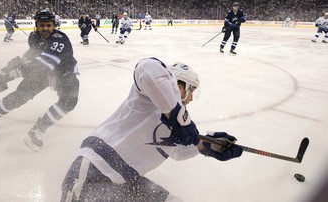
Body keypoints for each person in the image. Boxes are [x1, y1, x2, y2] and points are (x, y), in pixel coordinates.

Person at [61, 58, 243, 201]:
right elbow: (146, 68)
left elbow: (176, 152)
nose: (191, 98)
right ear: (179, 86)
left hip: (126, 180)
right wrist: (177, 114)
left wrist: (204, 146)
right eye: (191, 90)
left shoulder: (178, 119)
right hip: (94, 171)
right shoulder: (147, 97)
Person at [0, 10, 80, 152]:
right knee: (19, 97)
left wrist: (11, 75)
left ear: (54, 25)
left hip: (64, 74)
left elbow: (43, 63)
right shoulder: (34, 37)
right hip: (44, 74)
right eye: (42, 25)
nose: (45, 28)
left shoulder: (59, 38)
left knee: (69, 102)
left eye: (49, 25)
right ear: (36, 25)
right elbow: (28, 57)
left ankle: (39, 129)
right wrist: (2, 74)